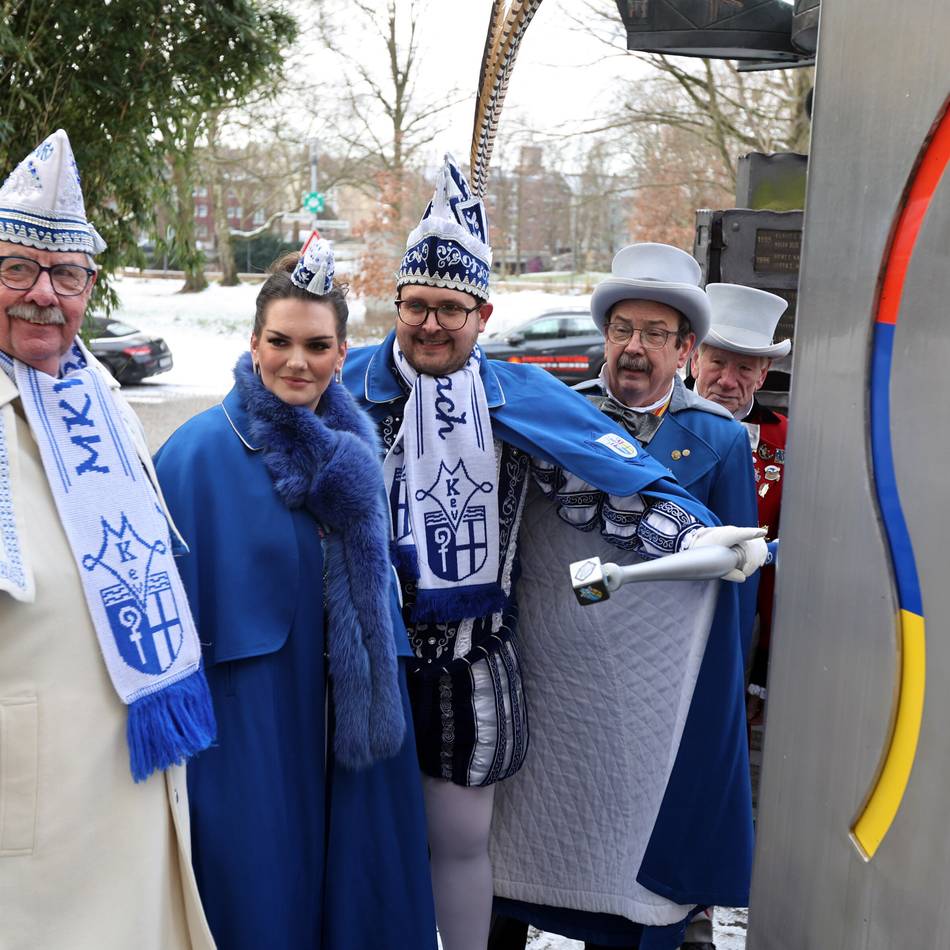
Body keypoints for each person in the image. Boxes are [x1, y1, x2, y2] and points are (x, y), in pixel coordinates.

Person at [343, 155, 766, 950]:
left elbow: (610, 494)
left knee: (471, 845)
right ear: (397, 305)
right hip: (368, 660)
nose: (432, 324)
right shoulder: (352, 396)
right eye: (417, 306)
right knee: (365, 833)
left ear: (482, 313)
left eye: (451, 308)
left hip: (475, 666)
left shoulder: (521, 401)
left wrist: (694, 536)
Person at [152, 237, 438, 949]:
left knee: (359, 900)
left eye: (317, 345)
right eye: (280, 341)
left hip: (355, 722)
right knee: (256, 897)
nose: (297, 362)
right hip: (250, 730)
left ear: (343, 354)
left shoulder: (354, 449)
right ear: (254, 344)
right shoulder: (193, 456)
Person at [489, 244, 760, 950]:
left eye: (655, 334)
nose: (634, 348)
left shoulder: (721, 442)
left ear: (685, 350)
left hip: (650, 707)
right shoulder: (552, 422)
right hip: (549, 687)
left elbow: (732, 598)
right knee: (518, 858)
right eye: (622, 330)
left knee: (632, 888)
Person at [0, 130, 215, 948]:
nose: (43, 295)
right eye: (17, 268)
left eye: (67, 275)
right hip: (31, 834)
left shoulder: (105, 406)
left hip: (133, 794)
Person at [691, 282, 791, 728]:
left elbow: (785, 566)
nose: (728, 380)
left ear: (763, 375)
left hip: (736, 634)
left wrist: (766, 669)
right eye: (717, 362)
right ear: (694, 357)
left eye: (745, 368)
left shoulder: (787, 441)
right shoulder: (649, 419)